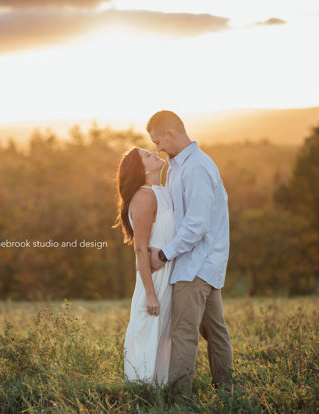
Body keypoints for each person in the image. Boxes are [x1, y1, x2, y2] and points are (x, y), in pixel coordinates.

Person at [146, 110, 233, 398]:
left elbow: (197, 224)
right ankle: (226, 389)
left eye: (158, 141)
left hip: (196, 264)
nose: (157, 148)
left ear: (171, 134)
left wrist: (164, 254)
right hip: (199, 263)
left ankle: (178, 399)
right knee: (215, 331)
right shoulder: (175, 167)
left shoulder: (196, 167)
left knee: (183, 332)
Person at [113, 146, 176, 385]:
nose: (154, 154)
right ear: (143, 169)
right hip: (155, 277)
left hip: (169, 269)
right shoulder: (144, 196)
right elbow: (140, 248)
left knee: (164, 333)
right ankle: (142, 389)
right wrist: (150, 293)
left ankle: (162, 387)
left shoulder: (162, 191)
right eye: (147, 155)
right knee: (151, 329)